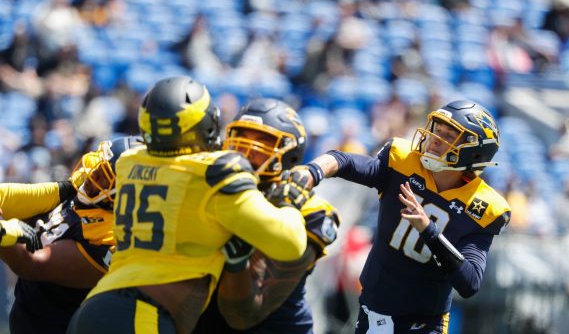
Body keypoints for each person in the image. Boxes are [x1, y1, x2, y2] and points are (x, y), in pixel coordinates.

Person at [67, 76, 309, 334]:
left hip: (99, 304)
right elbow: (290, 243)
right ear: (208, 125)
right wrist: (289, 200)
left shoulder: (130, 160)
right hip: (142, 312)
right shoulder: (215, 173)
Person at [290, 100, 511, 333]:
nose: (436, 137)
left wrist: (428, 230)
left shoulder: (483, 207)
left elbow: (470, 283)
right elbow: (346, 161)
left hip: (423, 322)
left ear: (473, 150)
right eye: (438, 129)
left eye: (449, 135)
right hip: (371, 308)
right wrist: (313, 170)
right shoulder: (403, 162)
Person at [194, 98, 340, 333]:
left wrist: (236, 257)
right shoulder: (209, 189)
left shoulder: (310, 212)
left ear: (289, 155)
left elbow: (242, 315)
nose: (246, 152)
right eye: (240, 141)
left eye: (263, 142)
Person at [0, 135, 143, 334]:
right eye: (98, 168)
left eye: (103, 176)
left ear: (125, 197)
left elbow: (29, 264)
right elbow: (6, 199)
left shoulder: (110, 239)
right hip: (28, 318)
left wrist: (2, 233)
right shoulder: (89, 196)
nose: (92, 176)